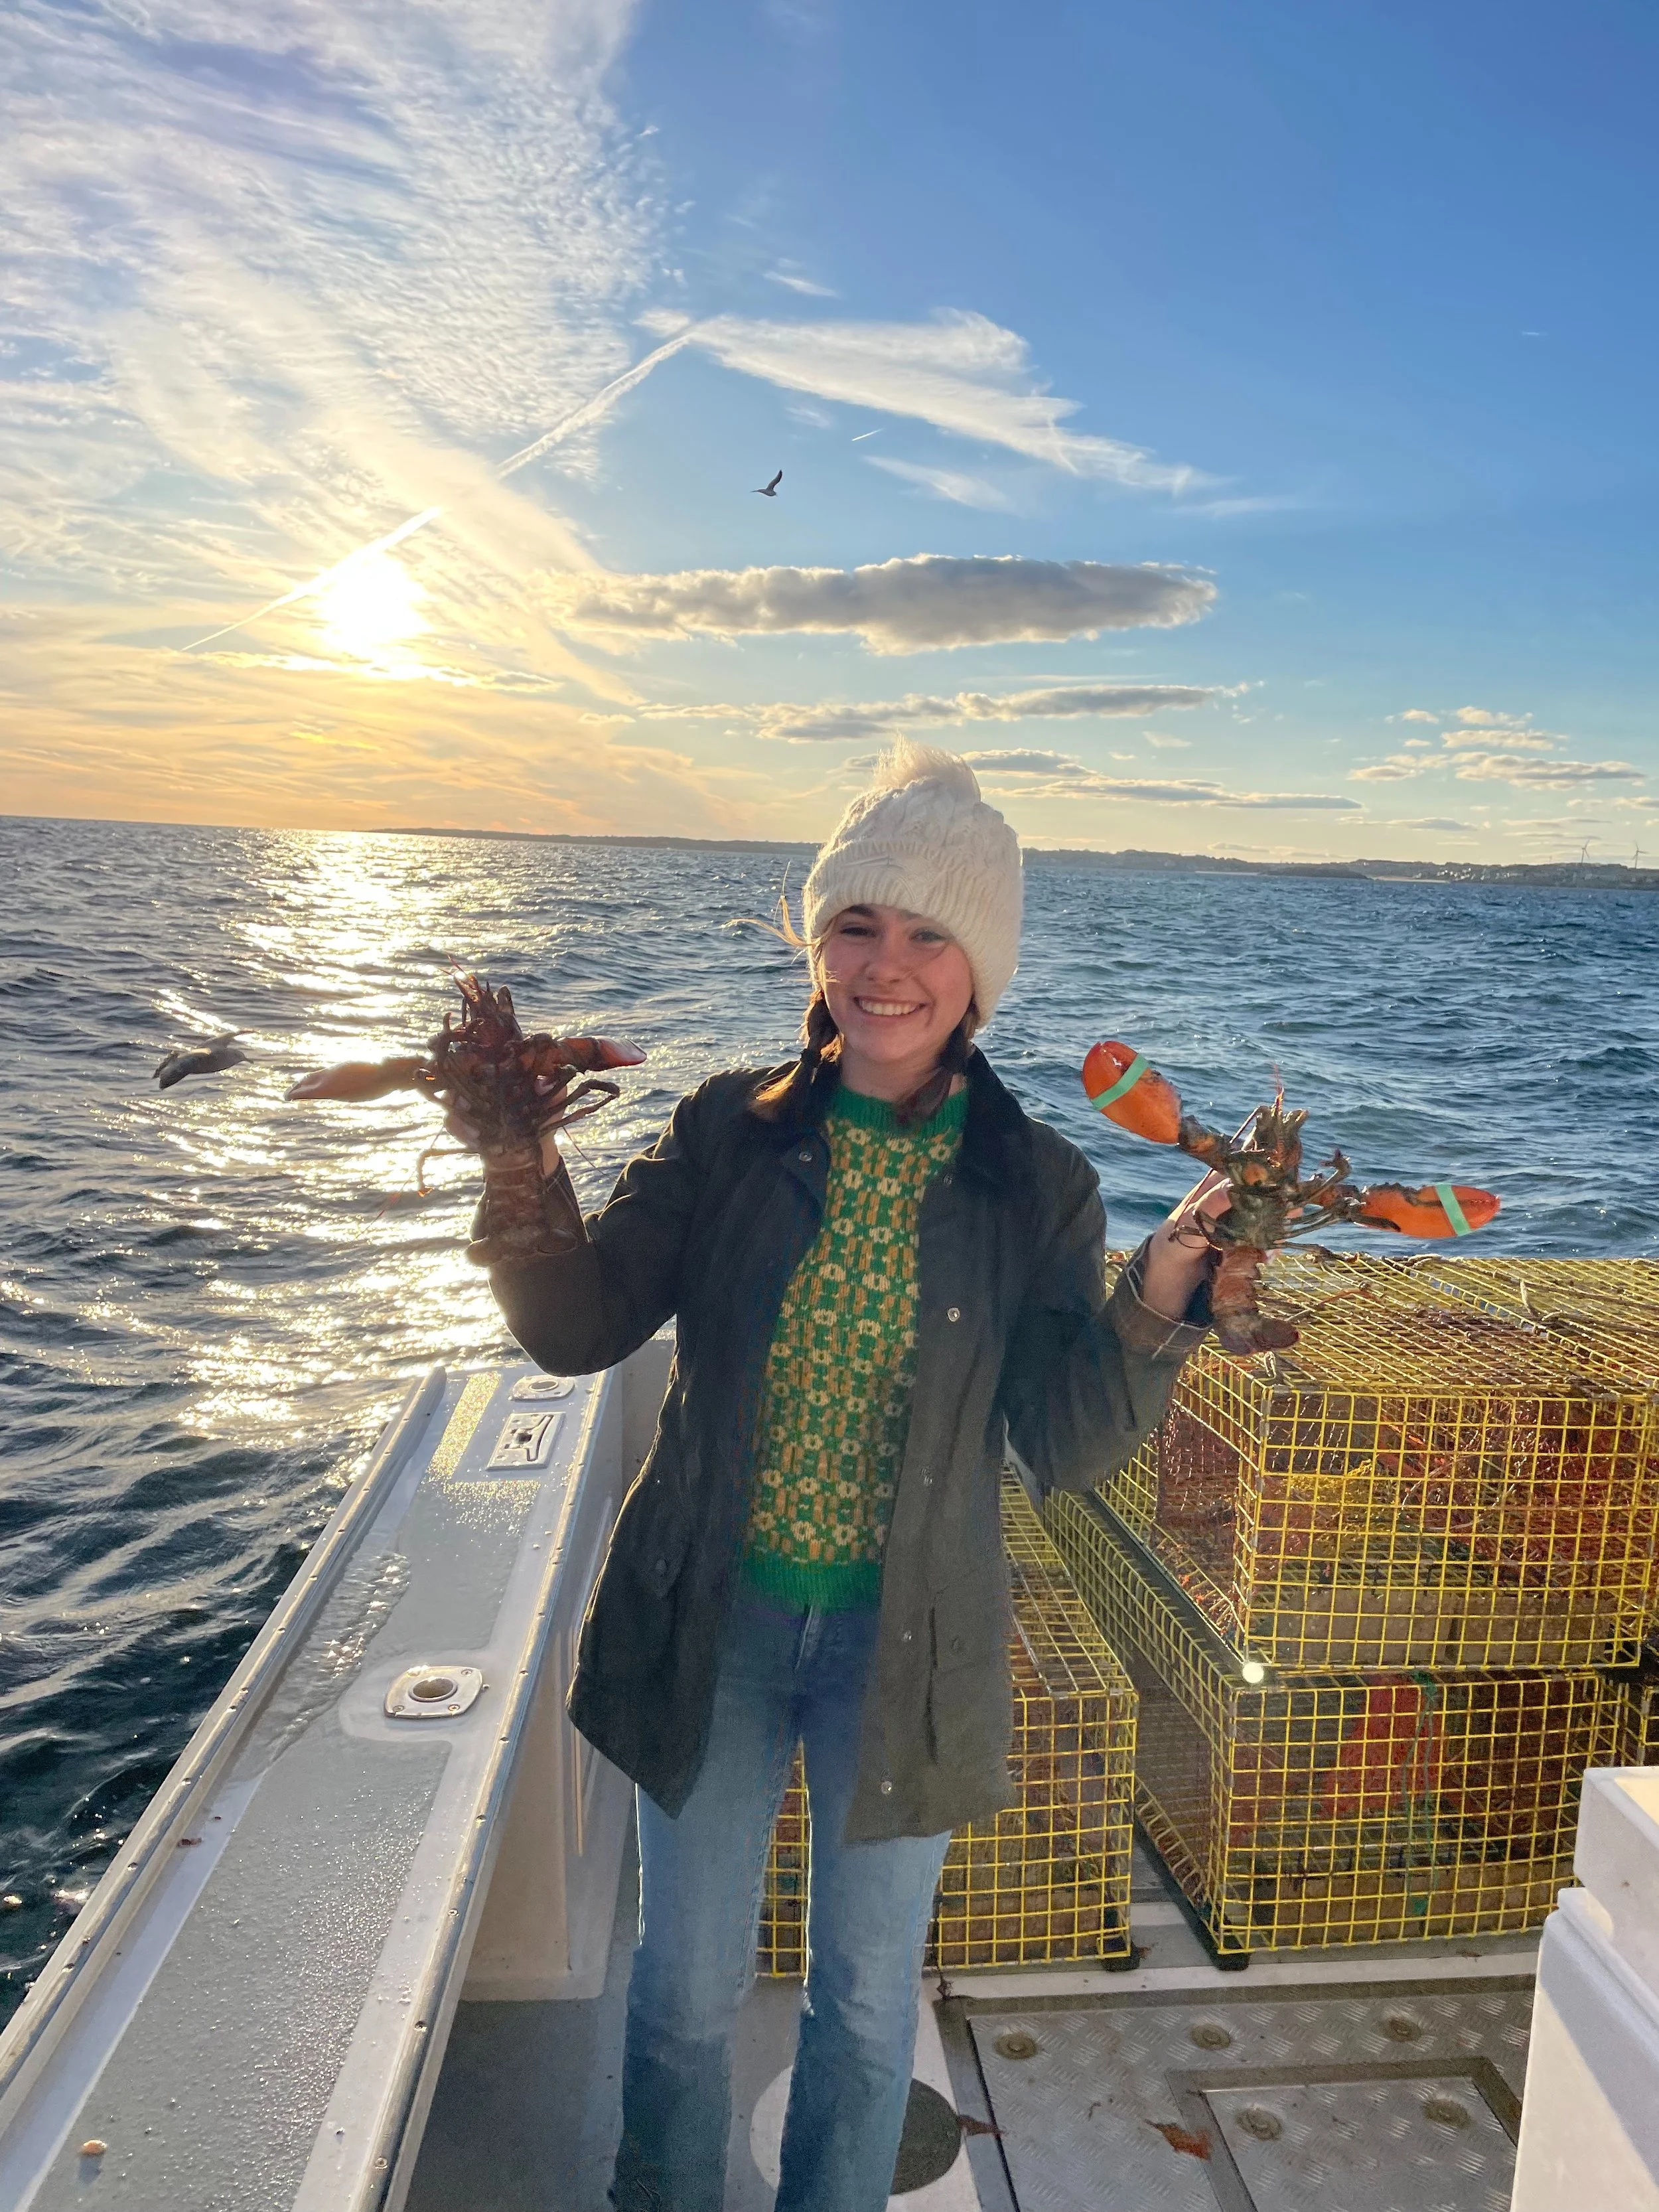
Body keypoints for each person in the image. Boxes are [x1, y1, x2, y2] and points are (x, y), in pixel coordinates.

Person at [476, 743, 1222, 2212]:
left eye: (929, 932)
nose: (886, 965)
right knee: (682, 1994)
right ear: (815, 943)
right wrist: (515, 1162)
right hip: (712, 1626)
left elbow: (1069, 1441)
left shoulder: (1036, 1183)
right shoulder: (717, 1129)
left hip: (912, 1647)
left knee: (868, 2003)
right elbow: (574, 1329)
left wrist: (1157, 1295)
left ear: (979, 971)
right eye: (856, 923)